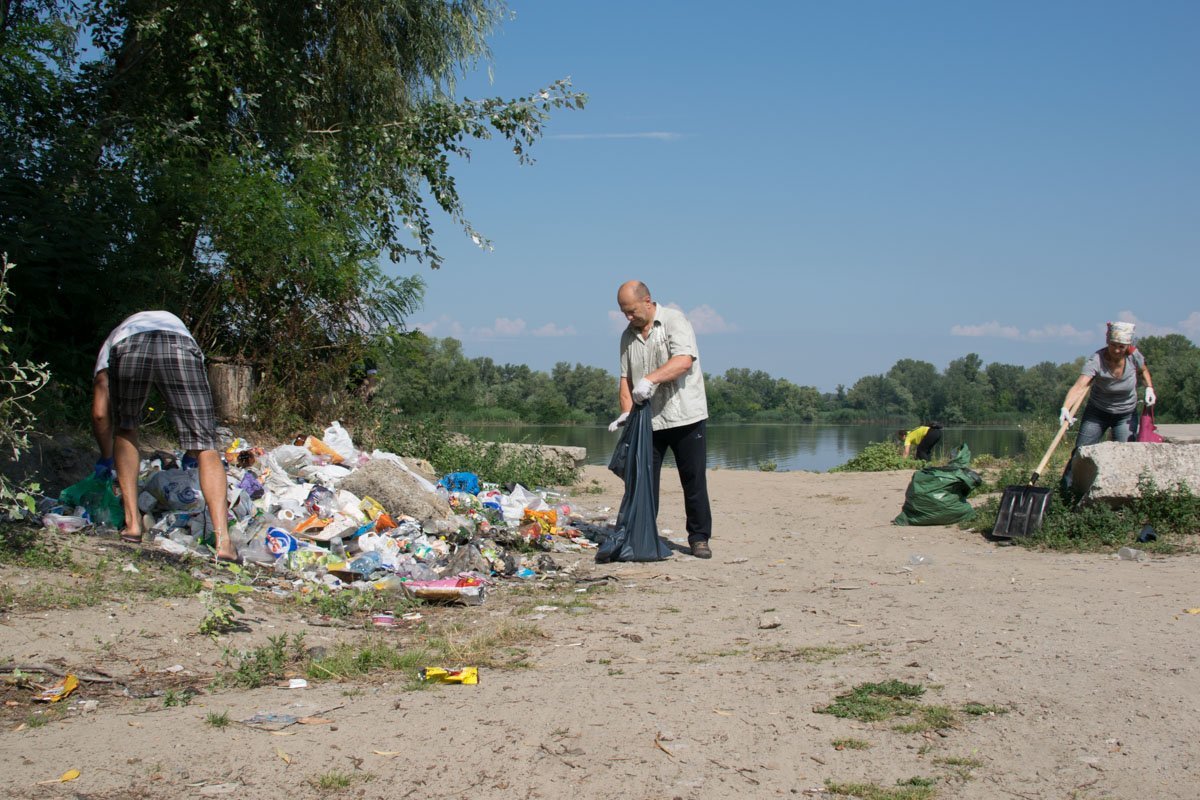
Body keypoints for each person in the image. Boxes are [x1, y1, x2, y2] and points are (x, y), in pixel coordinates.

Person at [91, 311, 236, 561]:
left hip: (131, 349)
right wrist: (194, 453)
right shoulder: (178, 329)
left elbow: (101, 414)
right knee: (206, 446)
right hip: (179, 345)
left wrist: (106, 458)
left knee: (126, 428)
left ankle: (133, 524)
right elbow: (194, 414)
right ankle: (224, 542)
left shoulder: (115, 340)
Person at [609, 280, 713, 558]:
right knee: (642, 481)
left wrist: (651, 379)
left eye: (632, 311)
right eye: (624, 313)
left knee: (693, 481)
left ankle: (699, 538)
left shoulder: (674, 321)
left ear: (648, 301)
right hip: (648, 421)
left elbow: (683, 361)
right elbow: (625, 378)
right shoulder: (627, 336)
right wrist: (626, 412)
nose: (629, 317)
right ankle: (642, 536)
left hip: (685, 416)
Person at [1059, 321, 1156, 488]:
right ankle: (1067, 492)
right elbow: (1080, 385)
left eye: (1121, 346)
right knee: (1080, 452)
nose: (1117, 350)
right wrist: (1066, 408)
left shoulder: (1134, 356)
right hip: (1097, 413)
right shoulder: (1096, 360)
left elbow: (1143, 370)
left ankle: (1120, 494)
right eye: (1113, 345)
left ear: (1128, 345)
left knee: (1124, 455)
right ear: (1107, 341)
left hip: (1125, 414)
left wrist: (1149, 388)